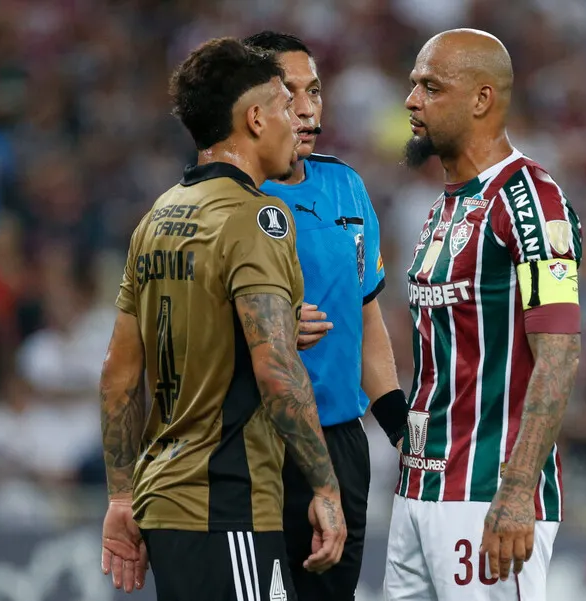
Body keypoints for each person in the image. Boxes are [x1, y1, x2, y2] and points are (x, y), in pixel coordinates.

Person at [97, 37, 347, 601]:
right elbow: (277, 371)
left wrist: (120, 497)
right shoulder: (257, 218)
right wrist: (325, 488)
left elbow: (118, 373)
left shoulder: (158, 216)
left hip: (163, 499)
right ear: (256, 118)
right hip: (226, 500)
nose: (297, 118)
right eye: (285, 105)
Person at [384, 29, 583, 601]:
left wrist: (519, 489)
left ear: (482, 98)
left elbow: (560, 352)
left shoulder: (532, 202)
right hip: (419, 492)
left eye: (431, 87)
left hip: (487, 499)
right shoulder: (445, 206)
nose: (411, 100)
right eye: (413, 84)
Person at [242, 31, 409, 601]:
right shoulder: (230, 199)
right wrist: (269, 333)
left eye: (315, 90)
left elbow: (367, 321)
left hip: (341, 443)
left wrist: (399, 427)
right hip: (257, 442)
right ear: (253, 107)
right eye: (290, 93)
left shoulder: (346, 186)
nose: (308, 107)